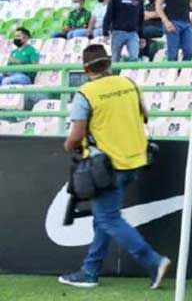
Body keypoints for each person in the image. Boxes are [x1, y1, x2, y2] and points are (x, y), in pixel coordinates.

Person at [58, 44, 172, 290]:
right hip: (136, 159)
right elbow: (145, 115)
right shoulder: (128, 83)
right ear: (108, 64)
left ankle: (153, 261)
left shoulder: (86, 93)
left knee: (108, 218)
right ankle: (90, 270)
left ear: (85, 69)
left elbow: (76, 135)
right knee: (104, 217)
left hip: (106, 167)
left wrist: (68, 146)